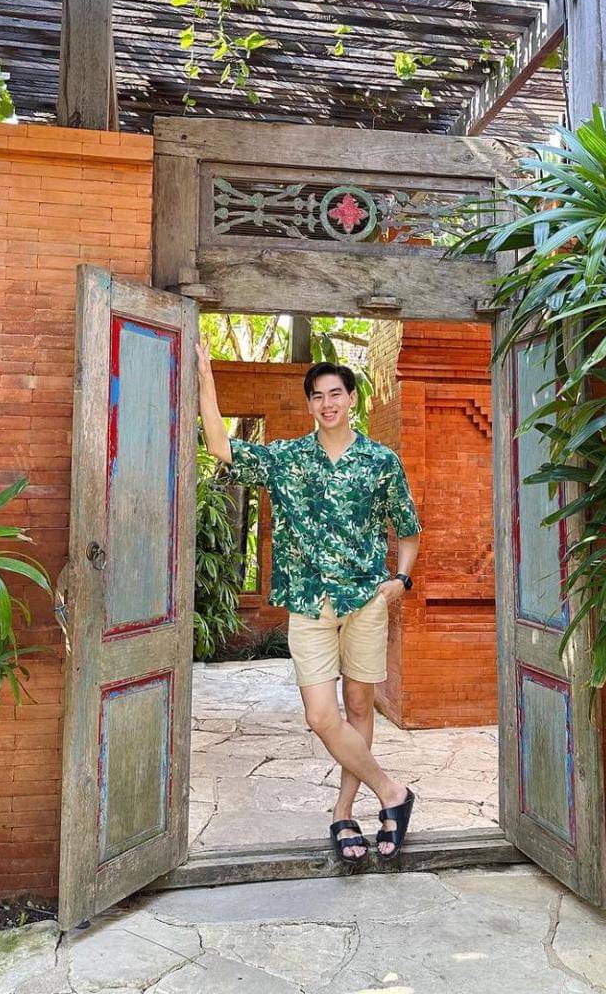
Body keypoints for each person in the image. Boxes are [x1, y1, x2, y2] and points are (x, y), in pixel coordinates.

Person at [197, 344, 422, 862]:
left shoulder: (381, 462)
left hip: (365, 600)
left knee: (360, 706)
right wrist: (205, 376)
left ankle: (344, 812)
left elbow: (408, 529)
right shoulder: (287, 459)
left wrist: (401, 580)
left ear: (352, 398)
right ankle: (393, 792)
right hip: (309, 601)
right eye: (317, 396)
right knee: (322, 715)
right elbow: (220, 446)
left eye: (335, 393)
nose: (327, 403)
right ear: (309, 405)